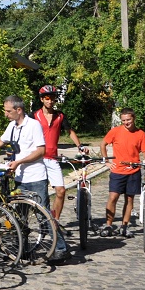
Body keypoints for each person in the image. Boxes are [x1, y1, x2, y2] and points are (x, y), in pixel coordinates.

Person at [0, 95, 68, 262]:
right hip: (19, 178)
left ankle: (61, 248)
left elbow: (41, 151)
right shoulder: (12, 126)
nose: (5, 114)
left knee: (43, 215)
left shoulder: (33, 125)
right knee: (20, 217)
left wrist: (19, 162)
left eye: (8, 111)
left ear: (19, 110)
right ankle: (23, 249)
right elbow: (2, 141)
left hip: (35, 177)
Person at [33, 85, 84, 222]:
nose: (50, 101)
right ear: (42, 99)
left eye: (53, 98)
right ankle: (40, 222)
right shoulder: (34, 116)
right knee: (39, 194)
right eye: (47, 98)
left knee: (61, 191)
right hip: (37, 159)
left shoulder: (60, 116)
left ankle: (54, 222)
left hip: (52, 159)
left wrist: (80, 146)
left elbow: (70, 132)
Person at [99, 108, 145, 238]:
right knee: (113, 197)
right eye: (123, 120)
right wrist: (106, 161)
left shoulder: (140, 134)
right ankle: (108, 225)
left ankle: (124, 225)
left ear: (133, 118)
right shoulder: (115, 131)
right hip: (118, 171)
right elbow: (103, 144)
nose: (126, 123)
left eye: (128, 120)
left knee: (129, 199)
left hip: (134, 170)